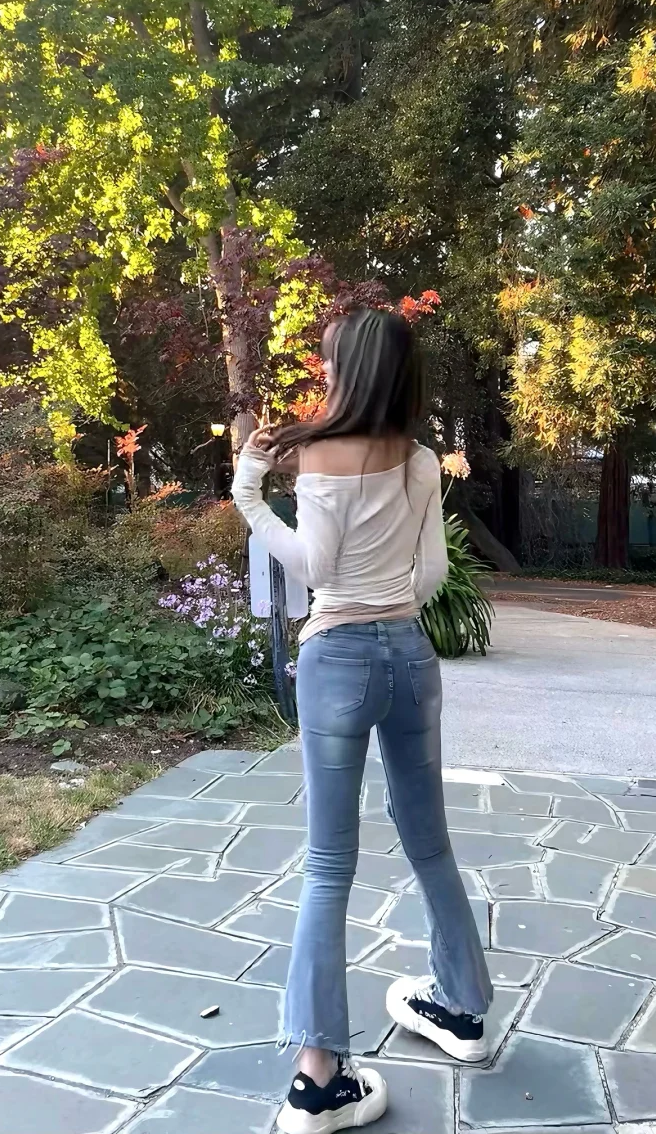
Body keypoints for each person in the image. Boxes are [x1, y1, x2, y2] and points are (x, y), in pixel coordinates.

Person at [232, 307, 493, 1134]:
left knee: (327, 865)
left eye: (328, 359)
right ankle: (462, 1013)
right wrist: (389, 607)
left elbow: (314, 569)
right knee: (430, 842)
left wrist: (248, 492)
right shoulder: (418, 460)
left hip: (337, 659)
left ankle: (318, 1083)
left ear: (345, 368)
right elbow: (432, 574)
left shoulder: (317, 454)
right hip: (410, 657)